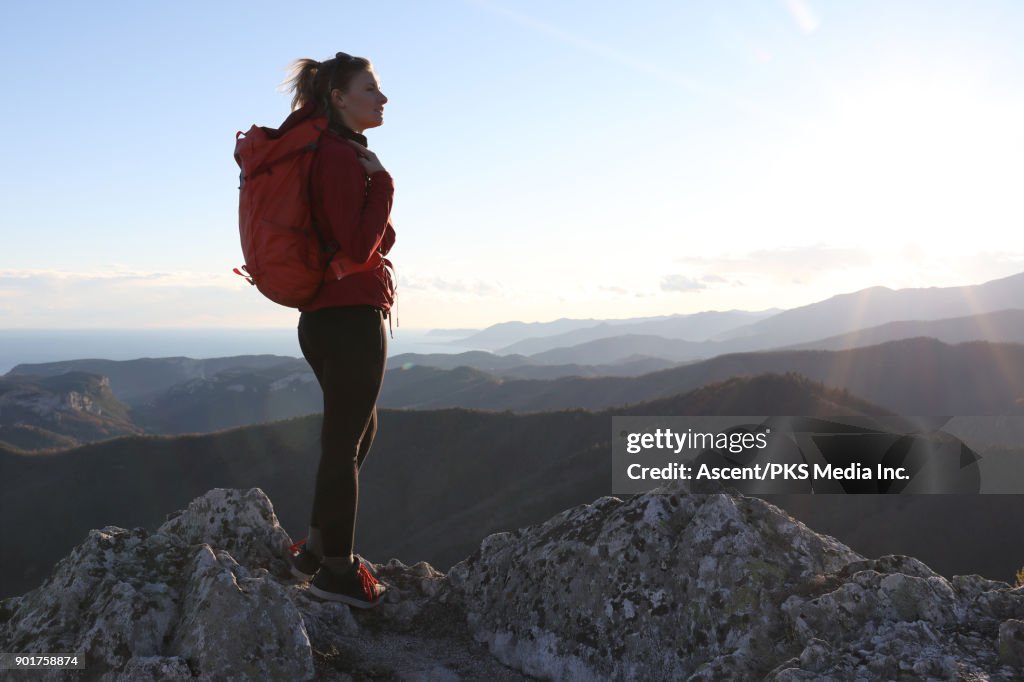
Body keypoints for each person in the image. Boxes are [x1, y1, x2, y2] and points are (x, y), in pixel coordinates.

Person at [278, 52, 396, 608]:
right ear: (340, 98)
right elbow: (360, 245)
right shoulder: (343, 158)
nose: (382, 97)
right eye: (370, 87)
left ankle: (317, 547)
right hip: (351, 316)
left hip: (324, 316)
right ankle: (337, 572)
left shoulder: (325, 153)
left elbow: (360, 239)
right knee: (345, 441)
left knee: (356, 434)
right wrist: (385, 185)